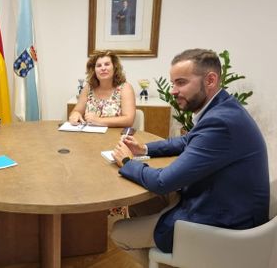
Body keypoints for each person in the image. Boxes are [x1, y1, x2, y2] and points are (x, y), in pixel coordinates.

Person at [110, 48, 270, 266]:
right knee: (141, 203)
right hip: (222, 201)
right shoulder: (222, 107)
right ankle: (164, 251)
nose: (173, 91)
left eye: (181, 82)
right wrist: (144, 149)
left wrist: (127, 162)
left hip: (222, 224)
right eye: (173, 83)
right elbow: (187, 141)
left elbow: (162, 181)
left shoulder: (220, 123)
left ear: (210, 80)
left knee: (120, 231)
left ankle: (168, 261)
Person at [69, 49, 136, 127]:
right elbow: (77, 110)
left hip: (115, 136)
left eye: (107, 64)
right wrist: (75, 115)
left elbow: (129, 120)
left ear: (114, 68)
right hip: (88, 136)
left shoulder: (125, 88)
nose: (103, 68)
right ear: (94, 70)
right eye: (99, 65)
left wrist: (99, 121)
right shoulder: (88, 87)